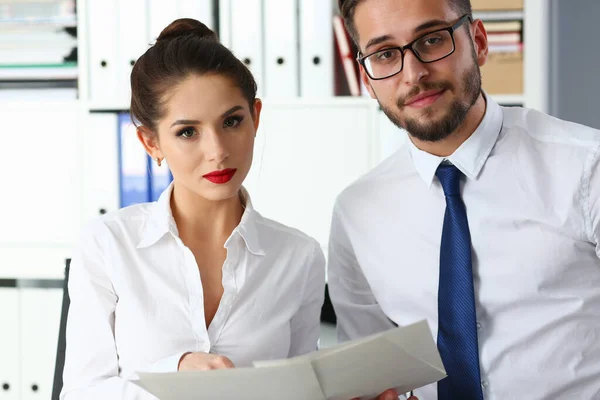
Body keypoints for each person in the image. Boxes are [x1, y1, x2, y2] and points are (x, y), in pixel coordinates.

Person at [328, 0, 600, 399]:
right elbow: (368, 376)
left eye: (432, 39)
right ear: (367, 79)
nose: (414, 73)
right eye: (385, 54)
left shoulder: (586, 167)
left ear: (479, 41)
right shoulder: (356, 213)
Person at [60, 18, 325, 399]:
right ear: (151, 143)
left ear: (256, 118)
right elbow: (81, 393)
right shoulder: (107, 245)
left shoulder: (299, 257)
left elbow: (303, 392)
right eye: (188, 132)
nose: (217, 150)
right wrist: (176, 374)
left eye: (232, 121)